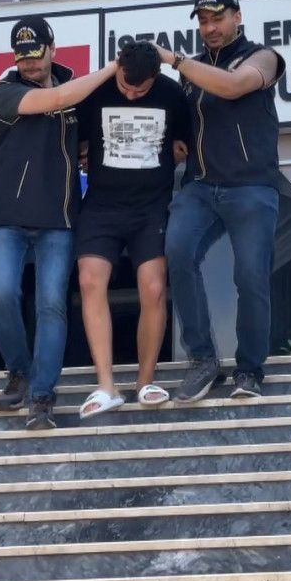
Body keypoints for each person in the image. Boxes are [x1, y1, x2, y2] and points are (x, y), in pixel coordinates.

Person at [152, 0, 287, 402]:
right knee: (176, 252)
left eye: (218, 18)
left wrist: (176, 60)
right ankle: (202, 359)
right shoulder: (190, 74)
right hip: (199, 186)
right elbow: (184, 125)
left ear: (237, 16)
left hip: (251, 186)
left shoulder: (264, 57)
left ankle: (250, 369)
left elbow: (233, 86)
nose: (210, 27)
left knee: (250, 276)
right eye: (204, 21)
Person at [0, 16, 117, 430]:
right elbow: (56, 99)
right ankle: (18, 370)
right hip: (8, 215)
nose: (28, 63)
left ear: (52, 49)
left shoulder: (77, 93)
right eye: (21, 56)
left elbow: (93, 135)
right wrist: (111, 68)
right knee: (1, 294)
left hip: (59, 219)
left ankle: (42, 395)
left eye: (35, 54)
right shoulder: (2, 90)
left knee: (52, 306)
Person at [74, 41, 191, 419]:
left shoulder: (172, 94)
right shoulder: (96, 89)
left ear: (155, 77)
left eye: (140, 91)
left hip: (150, 208)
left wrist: (179, 150)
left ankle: (145, 382)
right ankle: (105, 385)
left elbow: (184, 142)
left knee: (153, 288)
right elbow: (76, 139)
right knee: (90, 281)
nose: (130, 94)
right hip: (101, 206)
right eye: (125, 86)